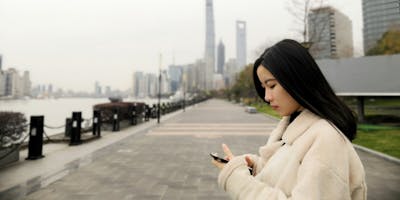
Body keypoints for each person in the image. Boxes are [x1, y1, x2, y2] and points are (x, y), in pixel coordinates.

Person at [211, 39, 367, 199]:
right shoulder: (292, 126)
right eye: (264, 88)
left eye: (271, 86)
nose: (266, 97)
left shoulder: (326, 139)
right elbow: (289, 174)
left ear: (296, 80)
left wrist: (238, 180)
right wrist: (254, 167)